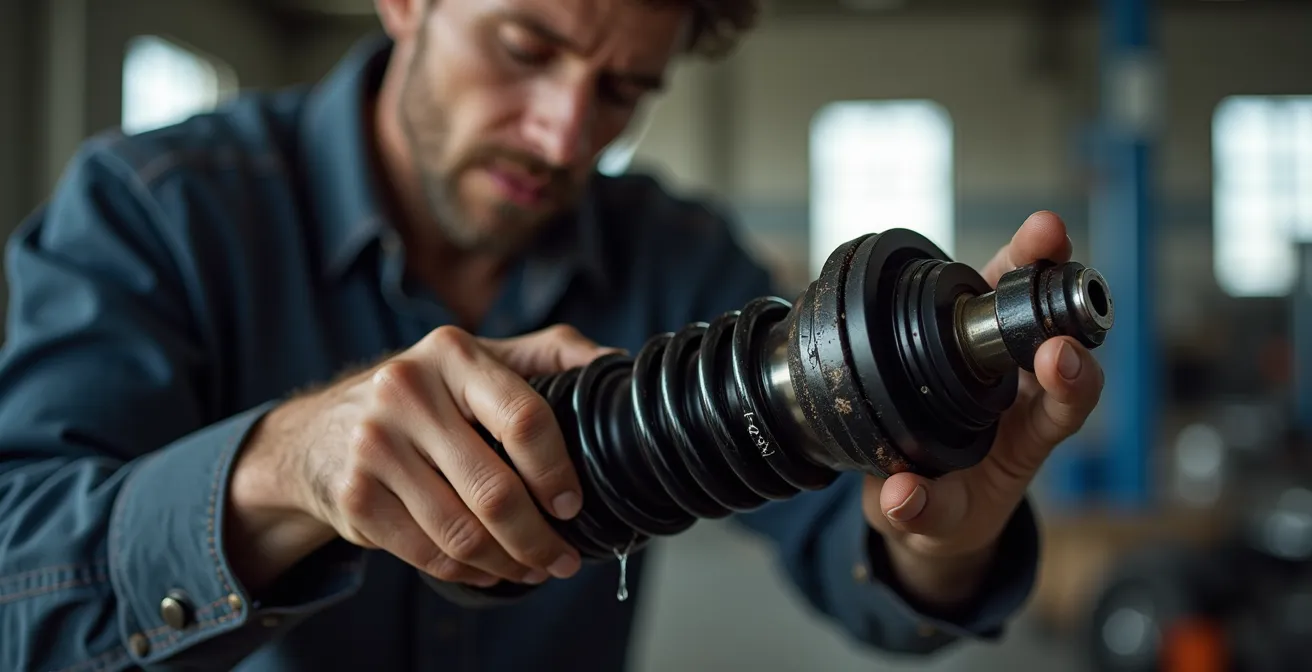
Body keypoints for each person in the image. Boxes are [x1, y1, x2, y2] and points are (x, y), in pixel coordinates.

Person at [0, 0, 1104, 670]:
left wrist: (938, 546)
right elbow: (19, 592)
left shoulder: (679, 260)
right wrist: (285, 469)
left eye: (623, 89)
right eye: (526, 46)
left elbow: (864, 565)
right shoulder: (156, 209)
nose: (565, 131)